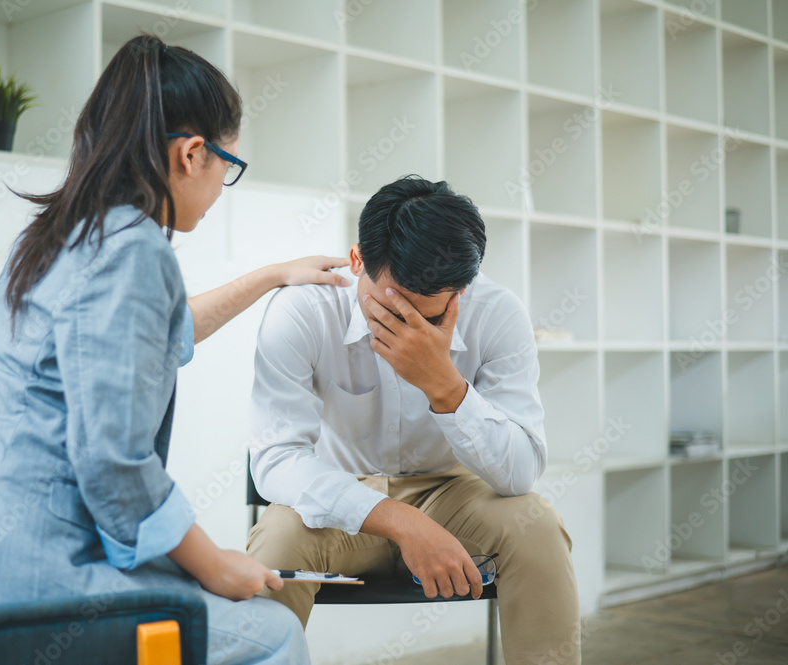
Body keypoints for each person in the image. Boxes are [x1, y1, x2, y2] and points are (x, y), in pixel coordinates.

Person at [0, 35, 346, 664]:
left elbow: (153, 336)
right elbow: (113, 461)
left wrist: (271, 275)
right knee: (274, 633)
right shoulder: (133, 251)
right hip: (18, 576)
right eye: (228, 166)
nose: (222, 187)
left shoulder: (58, 235)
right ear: (191, 154)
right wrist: (214, 564)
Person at [246, 176, 581, 665]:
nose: (410, 328)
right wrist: (403, 522)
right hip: (342, 495)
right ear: (357, 260)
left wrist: (443, 385)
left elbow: (520, 474)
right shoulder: (303, 311)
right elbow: (276, 460)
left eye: (430, 316)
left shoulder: (498, 313)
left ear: (461, 289)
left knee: (538, 528)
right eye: (392, 307)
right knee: (277, 540)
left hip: (453, 493)